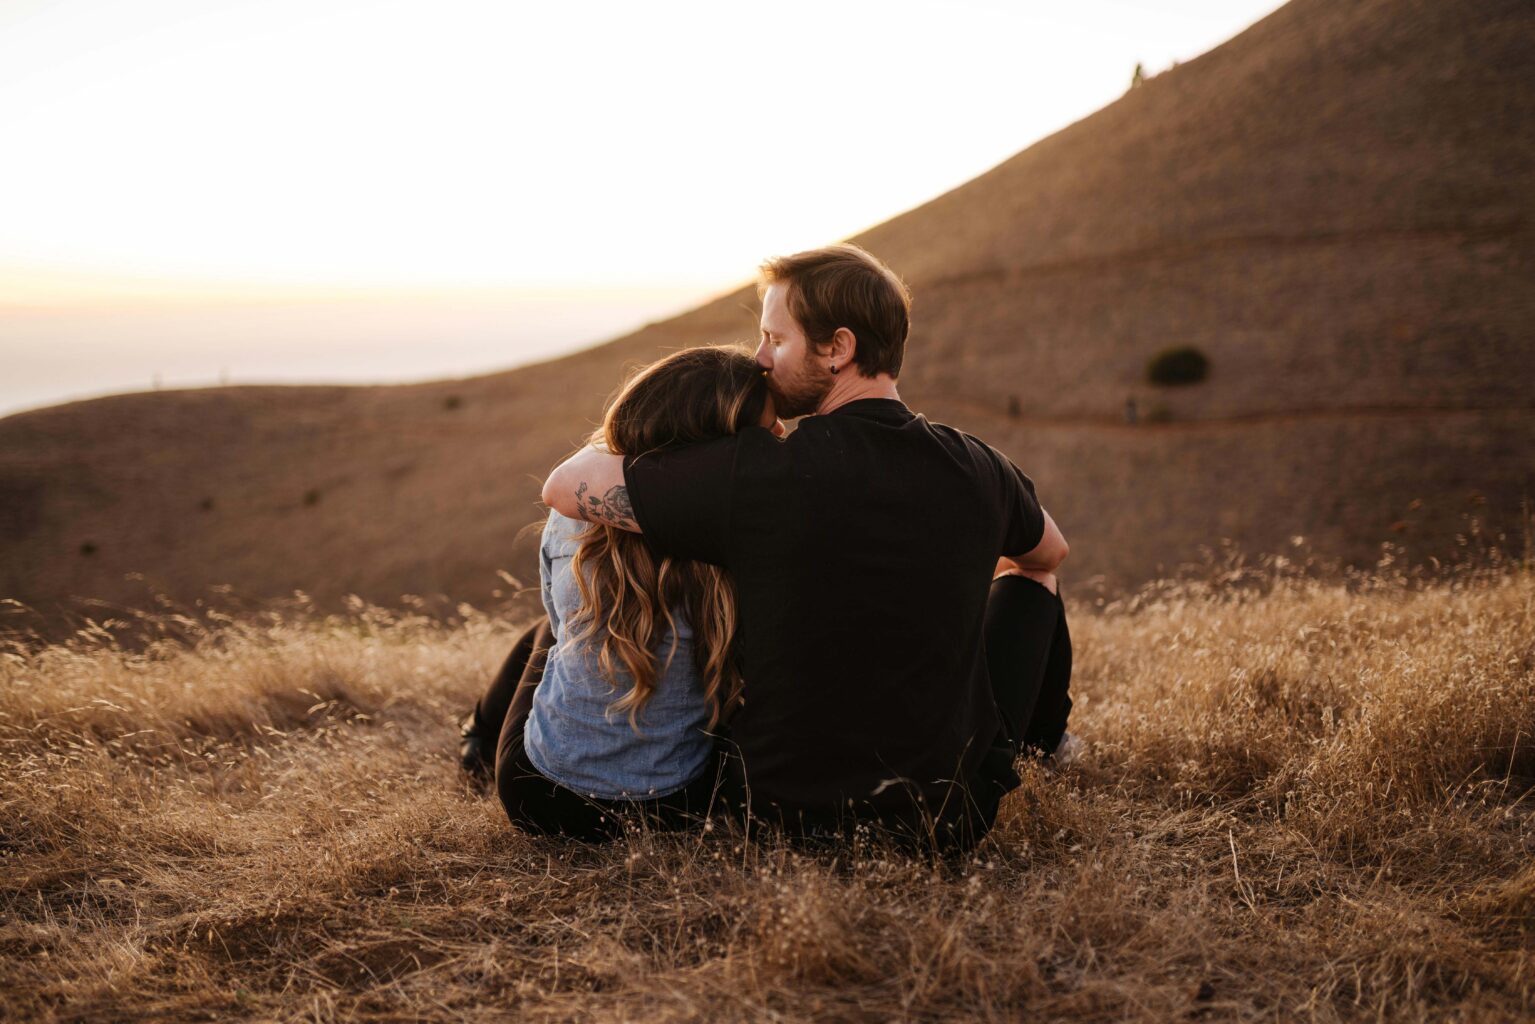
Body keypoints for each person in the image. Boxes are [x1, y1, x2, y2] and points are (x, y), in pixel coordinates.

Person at [543, 243, 1074, 854]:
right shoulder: (980, 466)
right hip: (948, 817)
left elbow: (566, 485)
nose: (760, 360)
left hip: (780, 819)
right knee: (1035, 585)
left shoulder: (760, 474)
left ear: (838, 348)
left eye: (775, 339)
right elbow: (1048, 554)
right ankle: (1048, 744)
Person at [460, 346, 783, 840]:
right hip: (677, 808)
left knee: (552, 630)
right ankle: (480, 735)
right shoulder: (738, 535)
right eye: (764, 431)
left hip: (539, 796)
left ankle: (477, 741)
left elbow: (559, 615)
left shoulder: (573, 513)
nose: (780, 435)